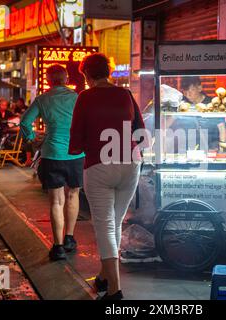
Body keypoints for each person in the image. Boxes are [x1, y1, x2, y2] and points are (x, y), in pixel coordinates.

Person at [69, 53, 146, 300]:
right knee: (114, 222)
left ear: (87, 75)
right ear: (109, 72)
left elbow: (76, 136)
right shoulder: (125, 95)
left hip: (99, 165)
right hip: (130, 163)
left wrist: (76, 148)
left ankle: (115, 290)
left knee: (104, 225)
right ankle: (104, 277)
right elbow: (141, 131)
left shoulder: (85, 97)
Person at [20, 64, 84, 261]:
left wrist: (31, 137)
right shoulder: (77, 98)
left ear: (48, 80)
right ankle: (70, 238)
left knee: (56, 201)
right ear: (66, 79)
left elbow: (24, 121)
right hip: (75, 154)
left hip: (52, 154)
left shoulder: (42, 99)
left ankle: (57, 248)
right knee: (73, 195)